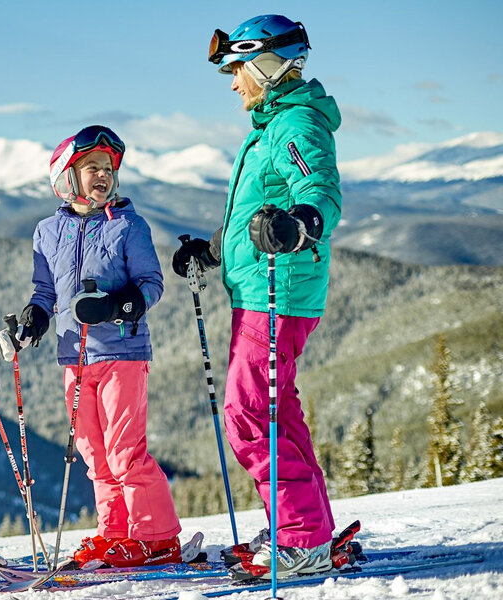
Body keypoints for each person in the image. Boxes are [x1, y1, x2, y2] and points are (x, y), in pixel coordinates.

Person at [174, 14, 341, 576]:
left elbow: (318, 192)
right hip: (258, 291)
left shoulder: (297, 125)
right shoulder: (268, 128)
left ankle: (300, 538)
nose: (232, 83)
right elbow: (257, 212)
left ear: (267, 66)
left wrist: (301, 223)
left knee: (246, 414)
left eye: (237, 69)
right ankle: (307, 527)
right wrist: (215, 250)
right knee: (277, 413)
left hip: (278, 294)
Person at [8, 125, 183, 568]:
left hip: (122, 353)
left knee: (126, 450)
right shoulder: (47, 232)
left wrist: (115, 306)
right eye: (91, 168)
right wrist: (33, 320)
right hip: (74, 357)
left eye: (107, 168)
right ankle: (116, 533)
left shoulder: (128, 225)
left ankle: (155, 536)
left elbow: (151, 285)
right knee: (95, 454)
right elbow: (45, 293)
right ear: (66, 176)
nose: (102, 175)